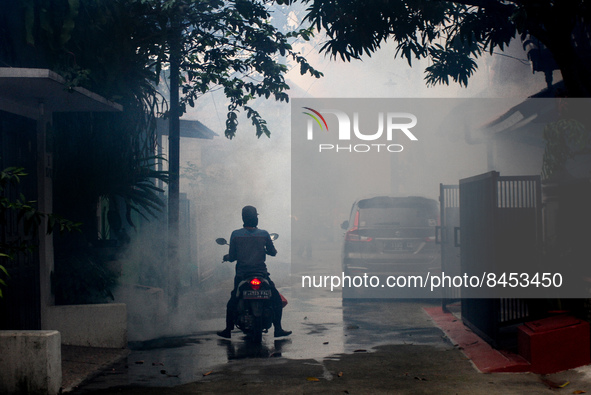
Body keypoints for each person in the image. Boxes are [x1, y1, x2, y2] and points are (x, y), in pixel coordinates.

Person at [217, 205, 292, 339]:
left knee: (233, 300)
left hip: (242, 275)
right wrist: (265, 250)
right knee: (275, 298)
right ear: (255, 218)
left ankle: (228, 329)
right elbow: (273, 252)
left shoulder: (236, 234)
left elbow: (232, 256)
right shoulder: (263, 234)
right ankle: (278, 328)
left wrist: (227, 257)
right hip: (261, 274)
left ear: (243, 218)